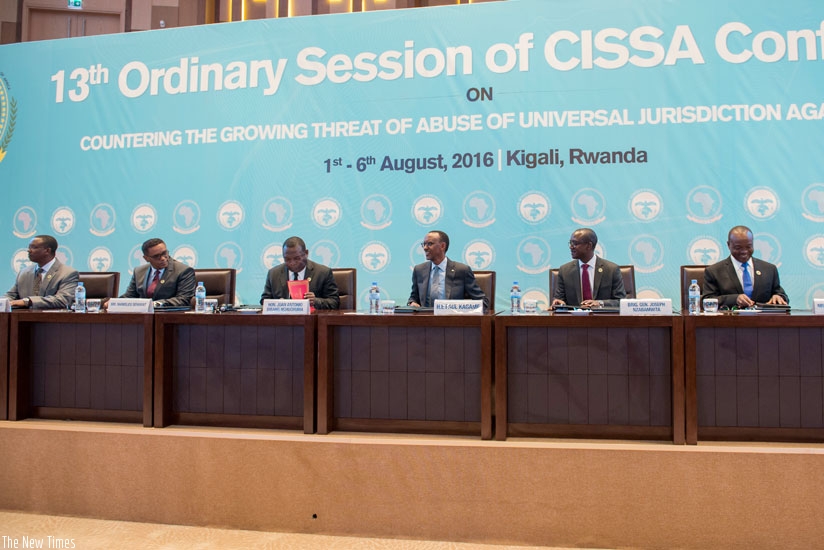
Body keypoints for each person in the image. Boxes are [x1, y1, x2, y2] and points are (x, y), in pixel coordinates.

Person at [703, 225, 788, 308]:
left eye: (748, 247)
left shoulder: (769, 269)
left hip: (762, 317)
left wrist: (779, 297)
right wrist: (734, 299)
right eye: (738, 247)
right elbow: (707, 300)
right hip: (730, 316)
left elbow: (780, 294)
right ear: (729, 245)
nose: (744, 251)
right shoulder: (714, 271)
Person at [408, 230, 488, 310]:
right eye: (424, 244)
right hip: (425, 317)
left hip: (452, 317)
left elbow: (482, 301)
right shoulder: (419, 270)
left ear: (442, 246)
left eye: (430, 244)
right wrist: (412, 303)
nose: (425, 248)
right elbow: (413, 298)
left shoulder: (462, 270)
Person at [551, 227, 626, 308]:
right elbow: (559, 299)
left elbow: (620, 301)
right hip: (574, 316)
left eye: (575, 243)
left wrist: (600, 303)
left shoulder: (611, 270)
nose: (571, 247)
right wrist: (559, 302)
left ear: (589, 246)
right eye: (570, 243)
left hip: (601, 315)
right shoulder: (565, 270)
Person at [260, 236, 340, 309]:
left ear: (306, 253)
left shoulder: (323, 273)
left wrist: (315, 301)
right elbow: (264, 301)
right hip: (283, 319)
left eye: (297, 258)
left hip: (311, 319)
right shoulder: (273, 274)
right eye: (287, 259)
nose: (292, 263)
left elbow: (334, 302)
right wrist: (276, 303)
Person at [5, 234, 79, 309]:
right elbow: (10, 296)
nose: (29, 250)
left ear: (47, 250)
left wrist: (28, 301)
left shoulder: (67, 273)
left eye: (34, 247)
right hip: (22, 315)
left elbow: (63, 300)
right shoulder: (24, 272)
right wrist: (3, 302)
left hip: (50, 315)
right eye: (29, 247)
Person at [120, 238, 195, 308]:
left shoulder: (183, 271)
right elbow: (130, 296)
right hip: (143, 315)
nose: (163, 258)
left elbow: (184, 299)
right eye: (156, 256)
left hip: (169, 315)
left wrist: (156, 304)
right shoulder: (139, 271)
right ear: (146, 258)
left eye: (164, 253)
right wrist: (115, 302)